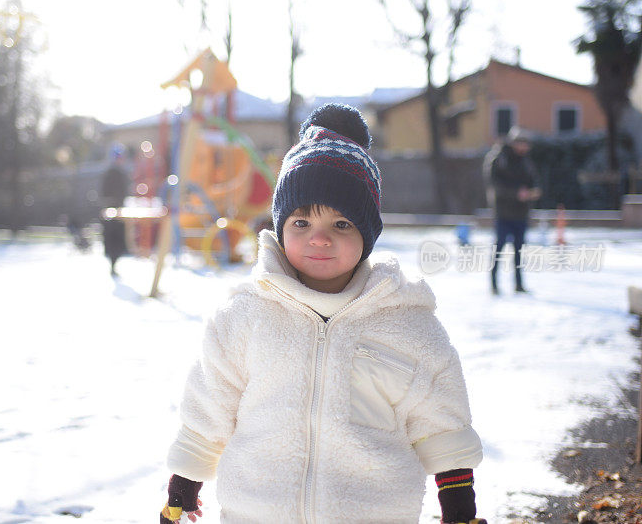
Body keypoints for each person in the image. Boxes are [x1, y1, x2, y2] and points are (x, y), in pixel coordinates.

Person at [159, 104, 485, 524]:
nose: (319, 239)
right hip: (257, 513)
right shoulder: (245, 315)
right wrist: (182, 488)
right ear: (280, 227)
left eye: (342, 225)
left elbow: (442, 422)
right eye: (300, 223)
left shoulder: (407, 323)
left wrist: (459, 509)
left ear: (367, 234)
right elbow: (209, 406)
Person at [484, 126, 542, 295]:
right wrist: (517, 193)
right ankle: (494, 284)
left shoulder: (526, 162)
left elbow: (534, 181)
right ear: (514, 143)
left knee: (519, 251)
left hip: (521, 213)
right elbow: (495, 186)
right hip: (503, 212)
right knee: (499, 249)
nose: (525, 148)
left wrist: (534, 191)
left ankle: (519, 284)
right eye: (522, 143)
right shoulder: (498, 158)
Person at [100, 146, 131, 276]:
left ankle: (115, 262)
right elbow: (105, 193)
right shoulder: (110, 173)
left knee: (118, 239)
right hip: (111, 211)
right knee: (112, 239)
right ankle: (113, 263)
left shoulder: (121, 173)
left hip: (119, 210)